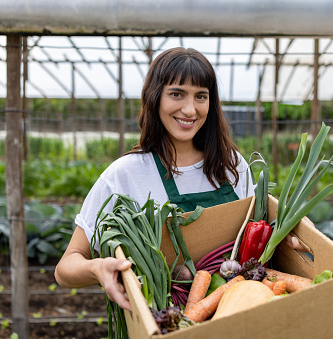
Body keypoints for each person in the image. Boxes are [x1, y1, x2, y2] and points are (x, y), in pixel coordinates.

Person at [55, 47, 305, 311]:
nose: (190, 109)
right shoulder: (125, 175)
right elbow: (65, 268)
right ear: (155, 98)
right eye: (177, 94)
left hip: (235, 313)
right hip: (161, 320)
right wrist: (98, 267)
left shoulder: (232, 166)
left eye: (201, 96)